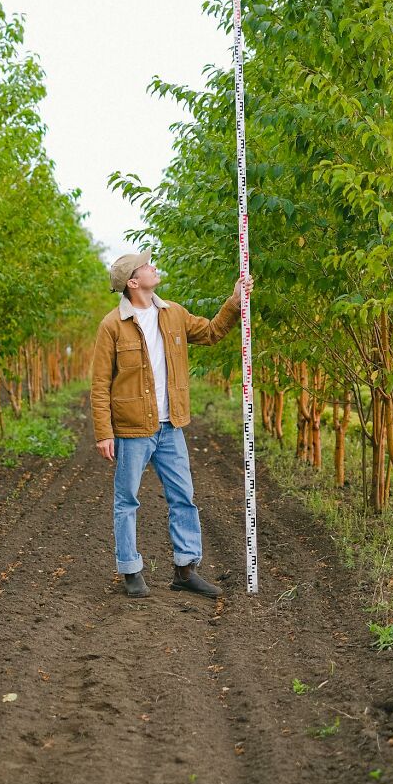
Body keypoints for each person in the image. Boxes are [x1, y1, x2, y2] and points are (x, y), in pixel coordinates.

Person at [91, 250, 253, 599]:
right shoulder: (112, 326)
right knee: (127, 501)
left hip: (170, 426)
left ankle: (185, 569)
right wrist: (104, 432)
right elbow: (100, 384)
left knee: (183, 497)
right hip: (133, 429)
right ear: (133, 282)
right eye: (146, 266)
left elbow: (211, 333)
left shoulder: (173, 314)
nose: (153, 267)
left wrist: (234, 302)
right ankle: (131, 570)